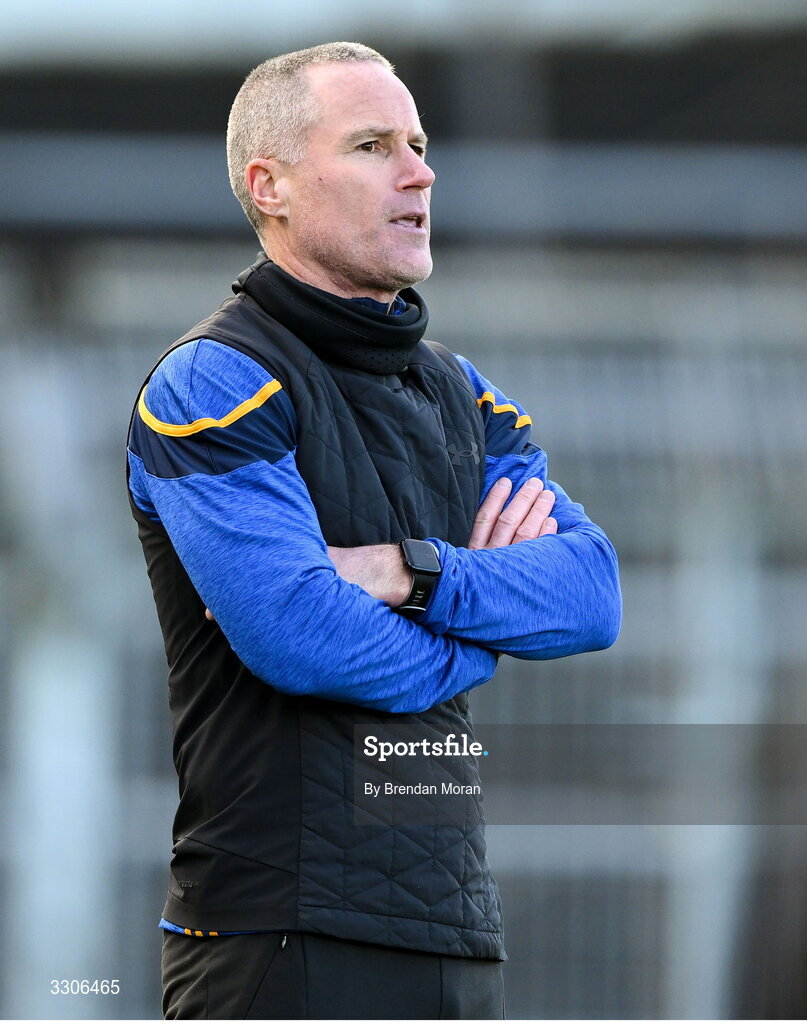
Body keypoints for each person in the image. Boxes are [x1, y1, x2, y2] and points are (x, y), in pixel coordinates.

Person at [126, 41, 621, 1020]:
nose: (420, 171)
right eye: (372, 145)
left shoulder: (466, 394)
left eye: (420, 143)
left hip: (454, 929)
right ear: (269, 185)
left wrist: (415, 574)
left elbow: (593, 594)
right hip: (280, 934)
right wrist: (480, 640)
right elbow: (300, 635)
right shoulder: (213, 382)